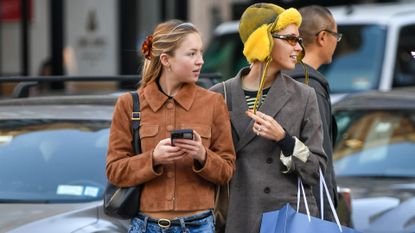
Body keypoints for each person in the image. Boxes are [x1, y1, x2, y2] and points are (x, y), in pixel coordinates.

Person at [106, 19, 236, 233]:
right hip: (146, 226)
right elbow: (114, 171)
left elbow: (227, 171)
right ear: (166, 59)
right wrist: (153, 158)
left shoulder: (213, 103)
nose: (200, 61)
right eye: (191, 54)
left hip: (199, 226)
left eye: (201, 53)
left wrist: (202, 154)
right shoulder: (129, 104)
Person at [209, 3, 327, 233]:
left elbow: (317, 170)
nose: (299, 48)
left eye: (299, 40)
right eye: (291, 39)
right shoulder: (218, 96)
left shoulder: (304, 96)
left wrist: (285, 139)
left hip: (287, 220)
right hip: (237, 218)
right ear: (264, 40)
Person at [284, 5, 341, 221]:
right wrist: (327, 216)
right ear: (323, 37)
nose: (337, 42)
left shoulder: (282, 78)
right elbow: (319, 160)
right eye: (337, 35)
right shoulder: (311, 88)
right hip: (310, 208)